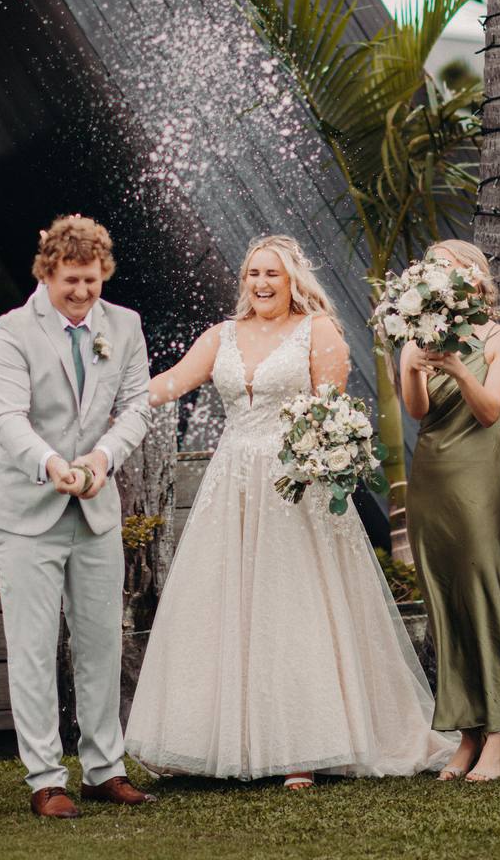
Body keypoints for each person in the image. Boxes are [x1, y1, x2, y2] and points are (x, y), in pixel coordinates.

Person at [125, 235, 453, 788]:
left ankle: (304, 744)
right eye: (253, 274)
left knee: (294, 608)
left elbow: (331, 412)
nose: (261, 283)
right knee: (223, 605)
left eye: (272, 274)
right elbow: (172, 382)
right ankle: (209, 742)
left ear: (292, 280)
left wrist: (318, 459)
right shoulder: (222, 335)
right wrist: (121, 399)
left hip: (296, 487)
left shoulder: (317, 330)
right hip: (231, 487)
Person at [0, 215, 158, 819]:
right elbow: (6, 418)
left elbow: (137, 406)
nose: (81, 291)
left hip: (95, 507)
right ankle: (46, 779)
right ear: (47, 273)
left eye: (91, 280)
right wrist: (51, 464)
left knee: (102, 642)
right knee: (32, 646)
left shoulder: (125, 325)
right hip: (26, 506)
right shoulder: (12, 330)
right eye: (70, 280)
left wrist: (103, 458)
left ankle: (105, 769)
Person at [398, 240, 500, 782]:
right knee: (444, 602)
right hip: (431, 476)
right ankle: (467, 733)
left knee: (481, 595)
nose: (434, 276)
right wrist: (413, 367)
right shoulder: (417, 335)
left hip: (479, 475)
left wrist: (457, 368)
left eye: (445, 268)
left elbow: (490, 412)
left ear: (475, 278)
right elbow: (418, 412)